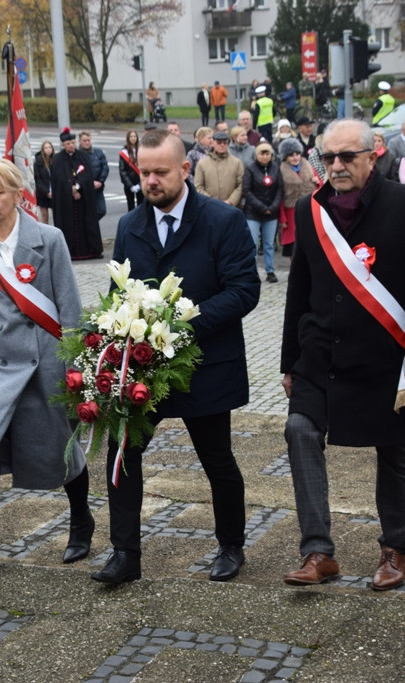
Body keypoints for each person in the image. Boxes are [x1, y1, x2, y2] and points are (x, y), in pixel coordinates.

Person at [280, 119, 405, 591]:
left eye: (347, 157)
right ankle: (318, 551)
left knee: (394, 450)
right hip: (320, 358)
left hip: (387, 362)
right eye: (328, 157)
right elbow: (299, 291)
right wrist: (288, 363)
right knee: (299, 429)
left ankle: (394, 549)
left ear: (372, 155)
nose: (336, 166)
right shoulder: (309, 212)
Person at [92, 128, 260, 585]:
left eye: (161, 172)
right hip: (143, 367)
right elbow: (117, 293)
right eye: (143, 172)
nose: (151, 181)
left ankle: (231, 545)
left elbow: (245, 291)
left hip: (205, 366)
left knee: (217, 459)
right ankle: (125, 553)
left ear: (186, 169)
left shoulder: (223, 221)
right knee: (122, 454)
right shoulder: (130, 226)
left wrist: (180, 325)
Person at [0, 159, 92, 582]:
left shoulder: (49, 239)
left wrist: (77, 368)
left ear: (18, 195)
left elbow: (69, 307)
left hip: (45, 362)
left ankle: (81, 519)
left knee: (61, 448)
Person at [50, 128, 102, 260]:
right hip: (66, 202)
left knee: (86, 224)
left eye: (73, 143)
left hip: (83, 199)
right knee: (68, 225)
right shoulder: (57, 159)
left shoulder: (82, 156)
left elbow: (87, 175)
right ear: (63, 145)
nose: (71, 145)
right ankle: (70, 251)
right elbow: (59, 179)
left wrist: (78, 187)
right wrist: (70, 189)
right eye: (68, 143)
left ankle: (89, 250)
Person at [243, 141, 284, 283]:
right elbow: (247, 190)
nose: (265, 157)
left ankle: (270, 271)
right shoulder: (250, 169)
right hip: (253, 213)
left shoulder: (276, 168)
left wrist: (273, 207)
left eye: (267, 154)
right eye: (262, 153)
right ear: (257, 155)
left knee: (269, 244)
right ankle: (252, 272)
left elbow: (279, 189)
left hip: (271, 213)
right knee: (252, 244)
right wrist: (261, 206)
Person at [277, 137, 317, 257]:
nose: (295, 157)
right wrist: (282, 218)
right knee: (293, 248)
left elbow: (320, 188)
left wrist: (317, 182)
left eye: (297, 154)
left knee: (310, 243)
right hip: (291, 212)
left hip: (309, 209)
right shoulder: (280, 171)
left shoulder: (309, 166)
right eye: (291, 155)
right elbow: (280, 196)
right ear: (285, 157)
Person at [194, 130, 244, 206]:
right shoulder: (202, 163)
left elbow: (241, 185)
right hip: (209, 207)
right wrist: (212, 201)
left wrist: (230, 201)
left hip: (232, 208)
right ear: (213, 143)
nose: (222, 145)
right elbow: (198, 187)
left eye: (225, 143)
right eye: (219, 143)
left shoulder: (237, 163)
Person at [78, 131, 109, 220]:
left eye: (88, 140)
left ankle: (92, 224)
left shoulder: (98, 152)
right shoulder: (77, 155)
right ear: (80, 141)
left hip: (98, 188)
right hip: (84, 189)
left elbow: (105, 167)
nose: (87, 143)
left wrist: (100, 181)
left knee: (101, 210)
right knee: (86, 211)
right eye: (84, 141)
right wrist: (89, 182)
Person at [119, 131, 143, 212]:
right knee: (131, 207)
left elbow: (145, 168)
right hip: (129, 184)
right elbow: (122, 171)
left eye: (135, 136)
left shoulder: (141, 150)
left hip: (140, 183)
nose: (133, 138)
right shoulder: (124, 152)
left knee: (141, 206)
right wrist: (130, 185)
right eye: (131, 136)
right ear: (128, 138)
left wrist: (140, 184)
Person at [34, 140, 55, 224]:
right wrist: (46, 192)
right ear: (43, 149)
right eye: (46, 148)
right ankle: (45, 235)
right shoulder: (38, 162)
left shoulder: (55, 160)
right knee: (45, 216)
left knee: (56, 215)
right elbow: (38, 180)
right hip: (43, 193)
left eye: (50, 147)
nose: (48, 149)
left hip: (54, 192)